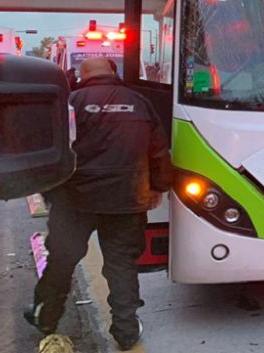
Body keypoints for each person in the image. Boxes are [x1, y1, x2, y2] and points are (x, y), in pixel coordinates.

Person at [25, 58, 171, 350]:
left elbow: (52, 150)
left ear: (82, 75)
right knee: (121, 265)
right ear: (113, 72)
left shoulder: (70, 103)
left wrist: (48, 191)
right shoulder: (139, 102)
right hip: (127, 200)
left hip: (74, 202)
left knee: (62, 260)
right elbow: (158, 151)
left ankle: (46, 317)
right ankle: (126, 331)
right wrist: (159, 186)